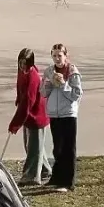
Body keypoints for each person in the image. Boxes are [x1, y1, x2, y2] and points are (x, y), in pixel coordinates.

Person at [41, 42, 82, 192]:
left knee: (68, 148)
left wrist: (63, 84)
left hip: (68, 114)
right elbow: (43, 93)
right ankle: (56, 178)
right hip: (54, 114)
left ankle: (67, 182)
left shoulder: (72, 72)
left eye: (60, 55)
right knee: (57, 148)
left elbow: (76, 95)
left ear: (66, 56)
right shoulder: (49, 71)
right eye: (54, 56)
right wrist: (50, 83)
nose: (57, 58)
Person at [8, 48, 51, 185]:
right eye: (20, 63)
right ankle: (45, 170)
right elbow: (20, 87)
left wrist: (15, 124)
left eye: (25, 63)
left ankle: (31, 177)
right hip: (28, 115)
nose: (22, 66)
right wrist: (18, 98)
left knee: (33, 148)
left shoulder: (33, 77)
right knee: (32, 145)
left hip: (37, 115)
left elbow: (28, 102)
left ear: (30, 63)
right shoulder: (22, 72)